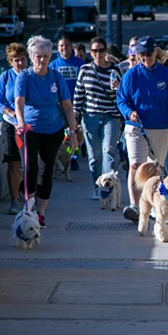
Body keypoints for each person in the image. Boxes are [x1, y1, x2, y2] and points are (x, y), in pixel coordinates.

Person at [15, 35, 79, 228]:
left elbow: (67, 106)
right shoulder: (24, 76)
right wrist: (20, 120)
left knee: (47, 169)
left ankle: (40, 213)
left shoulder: (56, 77)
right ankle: (29, 206)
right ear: (32, 57)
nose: (42, 60)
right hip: (31, 129)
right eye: (38, 56)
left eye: (45, 56)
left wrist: (73, 132)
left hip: (53, 129)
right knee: (30, 169)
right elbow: (19, 101)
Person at [116, 35, 168, 223]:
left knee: (155, 168)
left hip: (161, 128)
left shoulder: (166, 75)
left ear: (156, 53)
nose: (146, 57)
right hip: (136, 126)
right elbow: (121, 99)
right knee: (135, 164)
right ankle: (134, 205)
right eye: (142, 54)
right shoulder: (131, 75)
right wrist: (129, 112)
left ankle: (153, 206)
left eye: (149, 54)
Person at [73, 36, 123, 199]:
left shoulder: (114, 70)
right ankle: (97, 186)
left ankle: (107, 189)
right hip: (90, 117)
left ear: (106, 51)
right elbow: (79, 95)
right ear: (90, 52)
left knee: (108, 149)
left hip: (111, 117)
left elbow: (122, 95)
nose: (98, 54)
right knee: (94, 157)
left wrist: (117, 88)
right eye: (94, 51)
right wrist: (74, 118)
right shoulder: (85, 70)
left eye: (101, 50)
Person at [0, 42, 28, 215]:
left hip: (30, 124)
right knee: (13, 161)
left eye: (22, 59)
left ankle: (28, 196)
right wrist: (10, 111)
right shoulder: (6, 77)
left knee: (29, 163)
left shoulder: (32, 75)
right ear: (10, 62)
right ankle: (14, 200)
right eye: (15, 60)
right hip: (10, 123)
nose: (19, 64)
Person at [50, 36, 85, 170]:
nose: (64, 48)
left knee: (76, 133)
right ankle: (69, 157)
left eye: (67, 45)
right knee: (65, 135)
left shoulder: (79, 63)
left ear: (72, 47)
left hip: (77, 105)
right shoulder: (53, 66)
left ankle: (73, 156)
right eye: (61, 46)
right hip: (60, 107)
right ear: (58, 49)